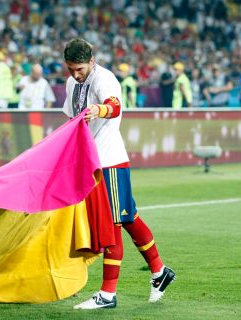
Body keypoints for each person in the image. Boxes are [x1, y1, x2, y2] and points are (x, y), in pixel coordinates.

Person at [62, 38, 175, 310]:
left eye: (79, 68)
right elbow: (71, 119)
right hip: (92, 162)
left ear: (91, 61)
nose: (75, 74)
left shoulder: (105, 79)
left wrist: (98, 109)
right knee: (128, 218)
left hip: (109, 161)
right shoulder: (71, 84)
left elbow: (114, 106)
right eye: (70, 69)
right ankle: (160, 272)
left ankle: (107, 294)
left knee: (111, 225)